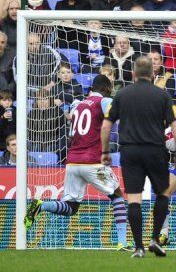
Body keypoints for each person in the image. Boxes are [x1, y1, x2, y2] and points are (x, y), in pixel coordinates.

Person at [24, 75, 132, 251]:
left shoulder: (78, 105)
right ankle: (122, 243)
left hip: (73, 161)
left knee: (71, 207)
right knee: (117, 195)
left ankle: (41, 205)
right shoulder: (103, 101)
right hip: (92, 161)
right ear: (106, 88)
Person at [100, 56, 176, 258]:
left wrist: (104, 152)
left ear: (133, 74)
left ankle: (138, 247)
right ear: (153, 74)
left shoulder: (121, 94)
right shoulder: (162, 94)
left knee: (134, 200)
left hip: (130, 152)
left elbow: (106, 125)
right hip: (156, 151)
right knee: (162, 194)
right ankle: (155, 239)